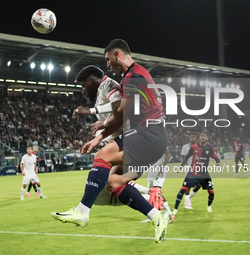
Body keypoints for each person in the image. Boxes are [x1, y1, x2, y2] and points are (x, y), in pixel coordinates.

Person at [52, 39, 169, 243]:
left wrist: (93, 115)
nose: (107, 65)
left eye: (107, 59)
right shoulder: (130, 76)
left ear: (117, 54)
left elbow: (122, 113)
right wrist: (99, 138)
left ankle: (82, 212)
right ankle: (157, 216)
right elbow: (121, 117)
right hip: (153, 141)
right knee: (113, 183)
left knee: (103, 156)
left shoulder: (134, 76)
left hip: (150, 133)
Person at [173, 131, 220, 217]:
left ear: (207, 138)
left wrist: (218, 162)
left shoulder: (210, 148)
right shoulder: (193, 147)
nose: (202, 137)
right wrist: (180, 167)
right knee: (182, 189)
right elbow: (186, 157)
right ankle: (175, 210)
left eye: (204, 136)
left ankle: (208, 206)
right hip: (193, 173)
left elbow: (215, 156)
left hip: (204, 174)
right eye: (201, 136)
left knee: (211, 192)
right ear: (199, 137)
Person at [179, 133, 200, 209]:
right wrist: (183, 165)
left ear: (197, 139)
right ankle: (186, 203)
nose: (192, 138)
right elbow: (182, 156)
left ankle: (190, 196)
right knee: (188, 185)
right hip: (188, 168)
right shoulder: (185, 147)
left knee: (199, 184)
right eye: (191, 137)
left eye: (194, 137)